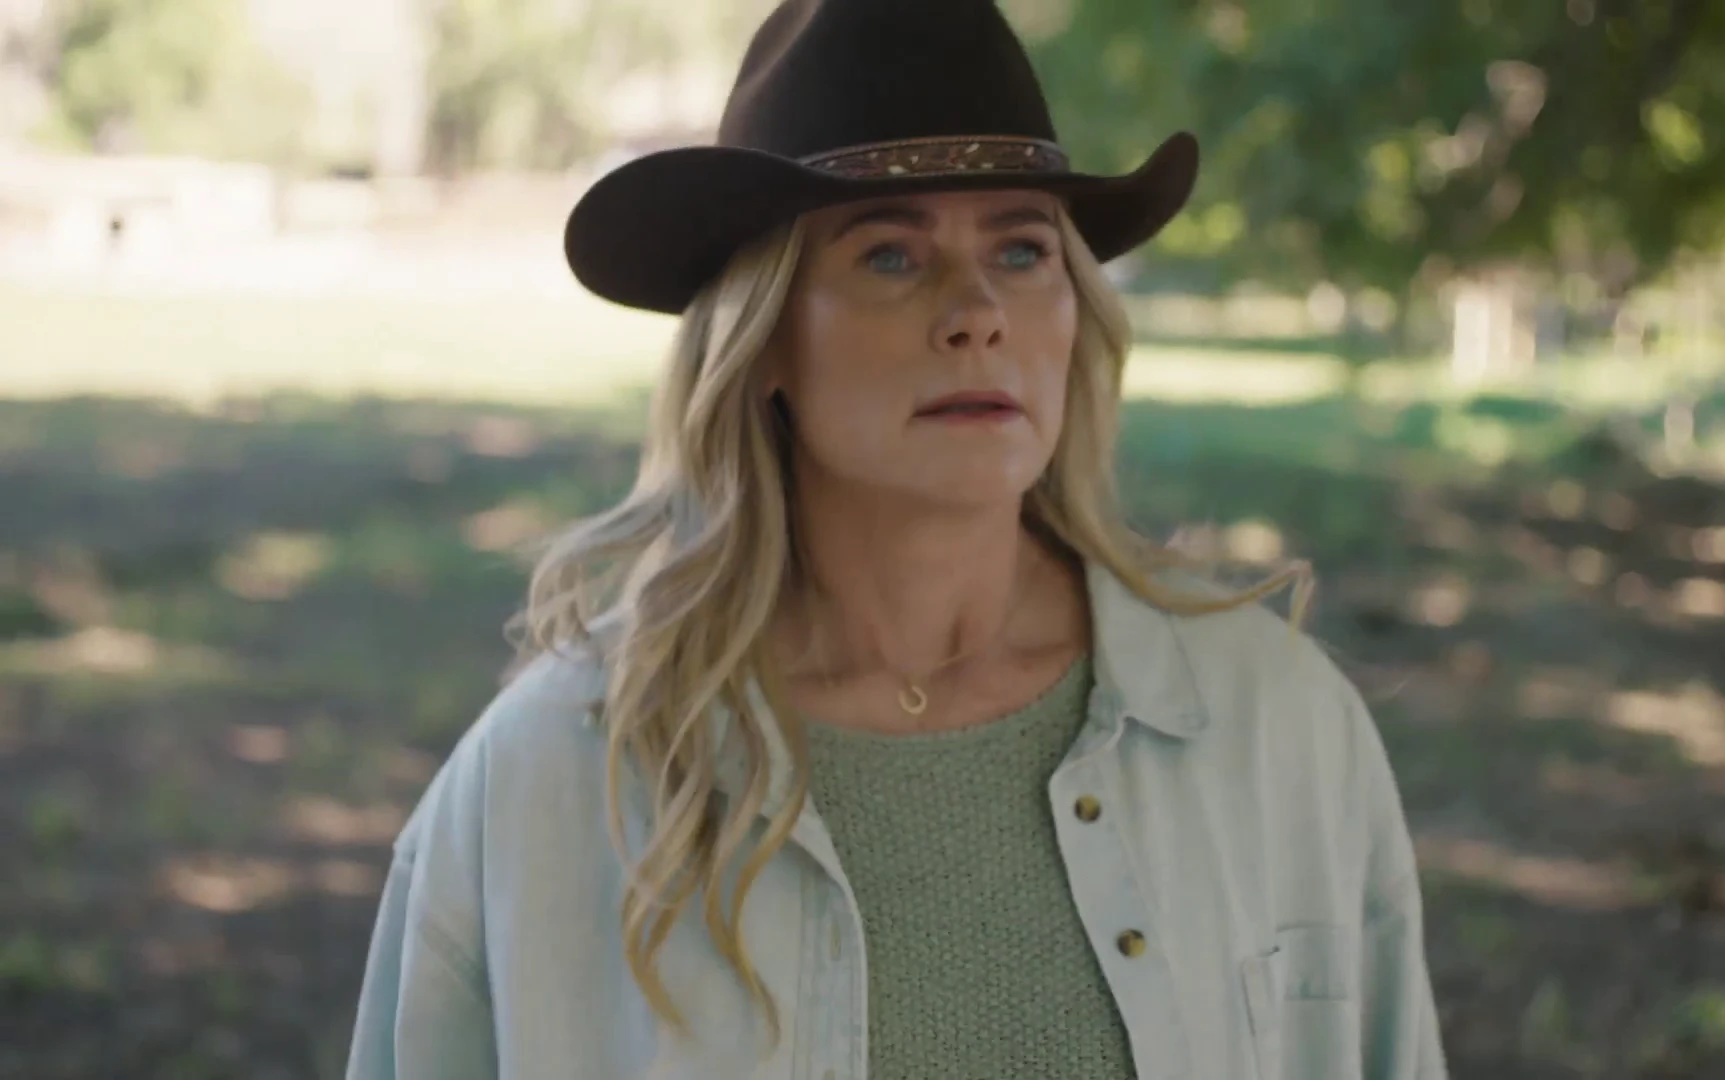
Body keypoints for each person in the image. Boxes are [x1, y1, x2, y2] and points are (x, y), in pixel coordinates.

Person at [345, 0, 1447, 1076]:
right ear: (763, 341)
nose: (978, 312)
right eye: (890, 256)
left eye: (1023, 251)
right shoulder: (553, 778)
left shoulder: (1275, 725)